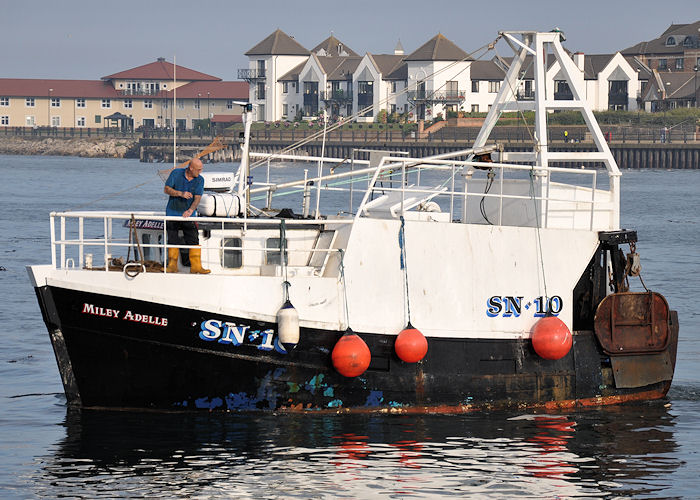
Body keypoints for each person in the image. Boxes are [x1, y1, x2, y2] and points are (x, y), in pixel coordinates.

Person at [164, 158, 210, 274]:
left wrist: (190, 210)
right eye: (198, 169)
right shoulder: (176, 173)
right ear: (191, 168)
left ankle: (196, 267)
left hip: (189, 215)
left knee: (193, 239)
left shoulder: (200, 180)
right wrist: (180, 193)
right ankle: (172, 266)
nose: (200, 172)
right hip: (172, 213)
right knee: (172, 239)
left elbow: (198, 198)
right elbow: (166, 189)